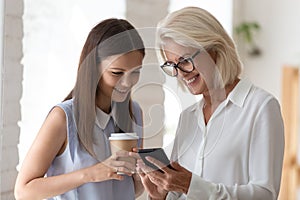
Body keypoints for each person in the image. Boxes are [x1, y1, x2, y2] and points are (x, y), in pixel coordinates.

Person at [135, 7, 284, 200]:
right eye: (173, 65)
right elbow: (180, 193)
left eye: (185, 60)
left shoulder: (261, 107)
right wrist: (160, 196)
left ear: (214, 49)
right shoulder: (187, 117)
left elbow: (265, 194)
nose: (181, 73)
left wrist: (191, 186)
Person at [14, 18, 145, 200]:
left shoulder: (135, 113)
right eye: (116, 73)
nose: (127, 83)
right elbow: (23, 191)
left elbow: (129, 190)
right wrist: (91, 173)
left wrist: (145, 177)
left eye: (136, 72)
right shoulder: (63, 117)